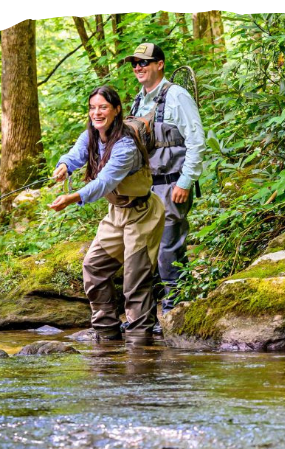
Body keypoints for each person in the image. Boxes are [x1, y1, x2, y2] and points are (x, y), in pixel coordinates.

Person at [49, 86, 165, 346]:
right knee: (94, 267)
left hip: (143, 214)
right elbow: (76, 155)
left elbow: (104, 182)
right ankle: (107, 335)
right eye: (92, 107)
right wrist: (64, 166)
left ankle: (139, 344)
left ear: (116, 110)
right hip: (117, 213)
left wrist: (72, 198)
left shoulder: (125, 145)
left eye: (103, 107)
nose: (96, 112)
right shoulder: (90, 135)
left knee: (135, 280)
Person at [124, 42, 206, 324]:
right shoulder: (139, 100)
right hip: (143, 188)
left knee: (169, 249)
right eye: (135, 63)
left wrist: (185, 182)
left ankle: (175, 311)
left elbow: (197, 142)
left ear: (160, 64)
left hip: (172, 185)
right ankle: (146, 315)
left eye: (144, 62)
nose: (138, 68)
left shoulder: (178, 96)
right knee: (143, 250)